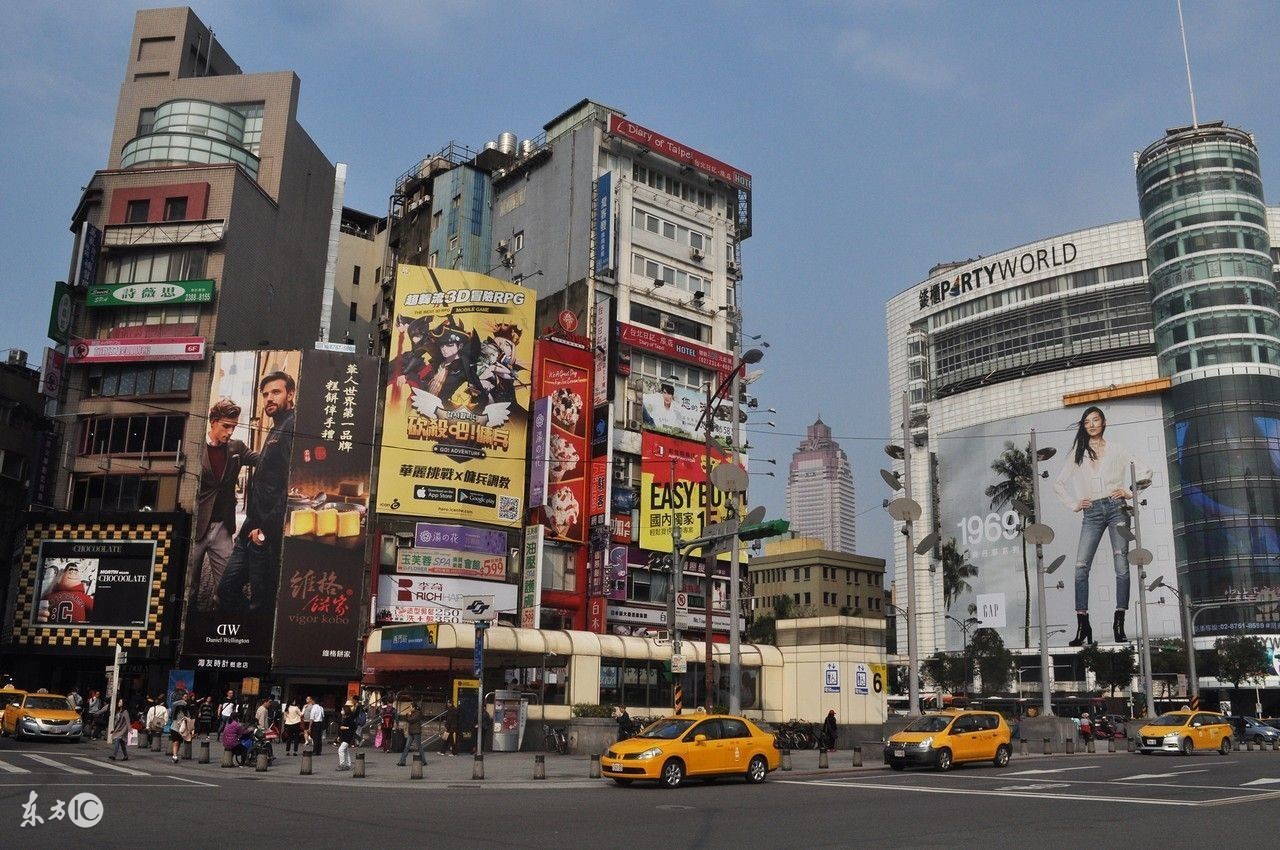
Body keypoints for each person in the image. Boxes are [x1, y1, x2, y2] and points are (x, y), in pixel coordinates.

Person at [1053, 406, 1153, 645]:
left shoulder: (1117, 449)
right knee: (1080, 567)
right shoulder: (1078, 453)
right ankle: (1082, 624)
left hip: (1116, 508)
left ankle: (1119, 622)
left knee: (1121, 565)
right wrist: (1075, 504)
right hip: (1092, 512)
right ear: (1084, 426)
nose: (1092, 425)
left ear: (1103, 422)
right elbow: (1058, 483)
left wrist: (1129, 492)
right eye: (1087, 421)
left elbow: (1146, 471)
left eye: (1095, 420)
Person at [218, 371, 296, 616]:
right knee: (226, 589)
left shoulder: (292, 426)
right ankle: (244, 635)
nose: (269, 398)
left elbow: (289, 487)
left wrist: (264, 531)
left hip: (265, 535)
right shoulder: (276, 429)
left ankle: (254, 643)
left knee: (261, 602)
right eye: (265, 394)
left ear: (290, 394)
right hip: (250, 530)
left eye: (276, 392)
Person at [192, 399, 257, 612]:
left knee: (227, 586)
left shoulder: (236, 448)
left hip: (222, 527)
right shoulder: (194, 448)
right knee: (189, 588)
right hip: (196, 527)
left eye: (233, 427)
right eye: (225, 426)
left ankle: (218, 623)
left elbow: (261, 458)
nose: (229, 432)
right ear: (213, 422)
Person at [397, 699, 424, 767]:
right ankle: (402, 761)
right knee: (406, 747)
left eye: (411, 707)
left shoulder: (418, 713)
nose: (410, 708)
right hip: (411, 732)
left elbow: (411, 720)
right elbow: (409, 720)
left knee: (419, 747)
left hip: (416, 732)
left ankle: (423, 761)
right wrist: (408, 715)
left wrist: (407, 715)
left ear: (414, 707)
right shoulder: (412, 713)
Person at [169, 692, 194, 764]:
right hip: (175, 727)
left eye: (186, 697)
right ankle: (174, 756)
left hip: (183, 729)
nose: (186, 698)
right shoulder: (176, 708)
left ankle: (175, 754)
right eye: (184, 697)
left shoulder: (187, 710)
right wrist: (183, 702)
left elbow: (189, 718)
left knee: (179, 742)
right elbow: (173, 706)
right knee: (176, 741)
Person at [336, 702, 356, 771]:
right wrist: (339, 736)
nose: (342, 711)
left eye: (343, 710)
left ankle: (342, 764)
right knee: (346, 751)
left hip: (348, 737)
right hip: (344, 736)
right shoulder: (343, 718)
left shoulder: (350, 718)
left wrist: (345, 728)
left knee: (341, 750)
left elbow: (352, 727)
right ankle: (348, 764)